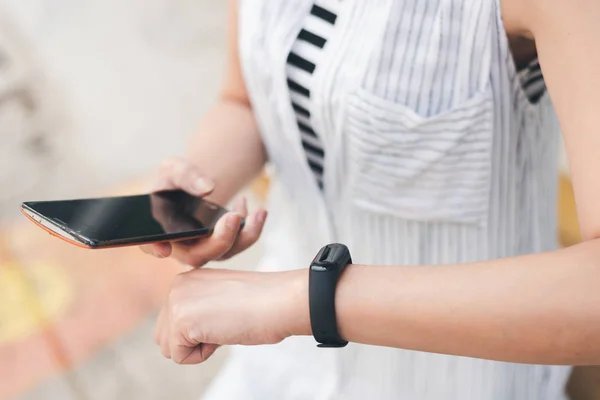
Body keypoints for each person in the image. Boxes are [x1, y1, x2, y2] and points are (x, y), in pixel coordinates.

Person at [142, 0, 600, 398]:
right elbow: (243, 101)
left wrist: (302, 300)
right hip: (282, 364)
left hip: (454, 381)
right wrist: (197, 195)